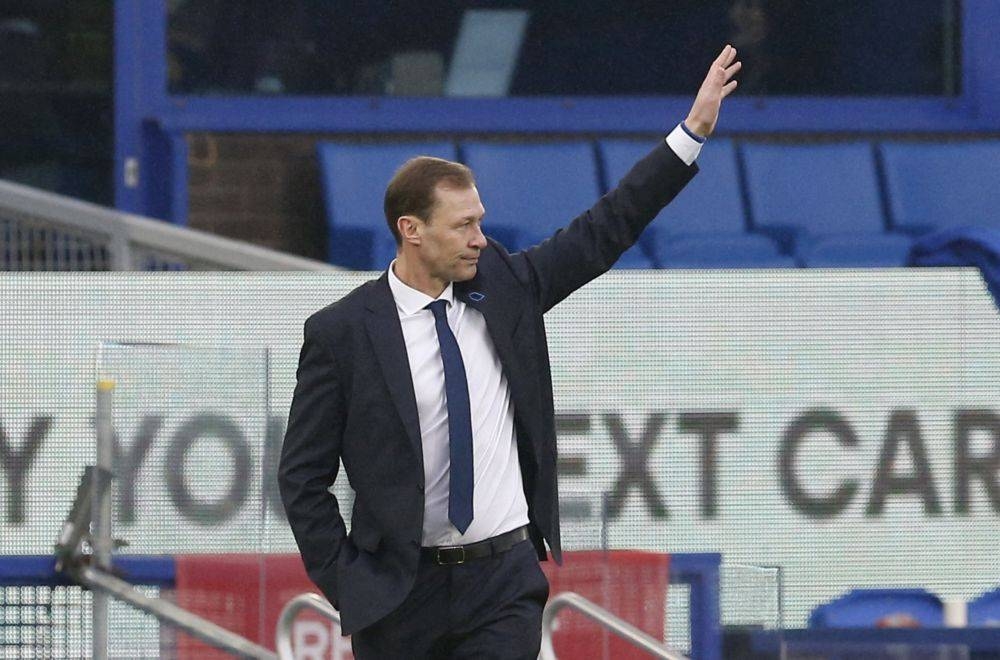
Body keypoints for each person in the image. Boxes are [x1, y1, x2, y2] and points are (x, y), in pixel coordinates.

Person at [279, 44, 741, 659]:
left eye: (480, 220)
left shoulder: (506, 286)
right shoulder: (343, 333)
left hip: (501, 583)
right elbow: (302, 476)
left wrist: (690, 136)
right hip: (398, 599)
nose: (480, 238)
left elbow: (605, 228)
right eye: (462, 226)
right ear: (410, 231)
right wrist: (348, 582)